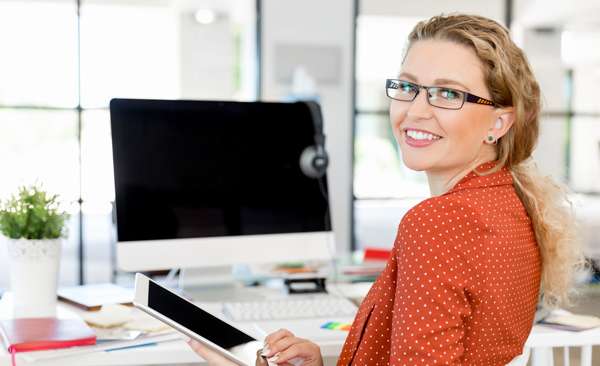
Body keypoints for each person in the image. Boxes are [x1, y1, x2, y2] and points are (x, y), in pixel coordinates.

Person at [188, 13, 584, 365]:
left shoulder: (438, 222)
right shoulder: (514, 204)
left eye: (448, 93)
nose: (416, 110)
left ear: (499, 123)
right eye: (408, 87)